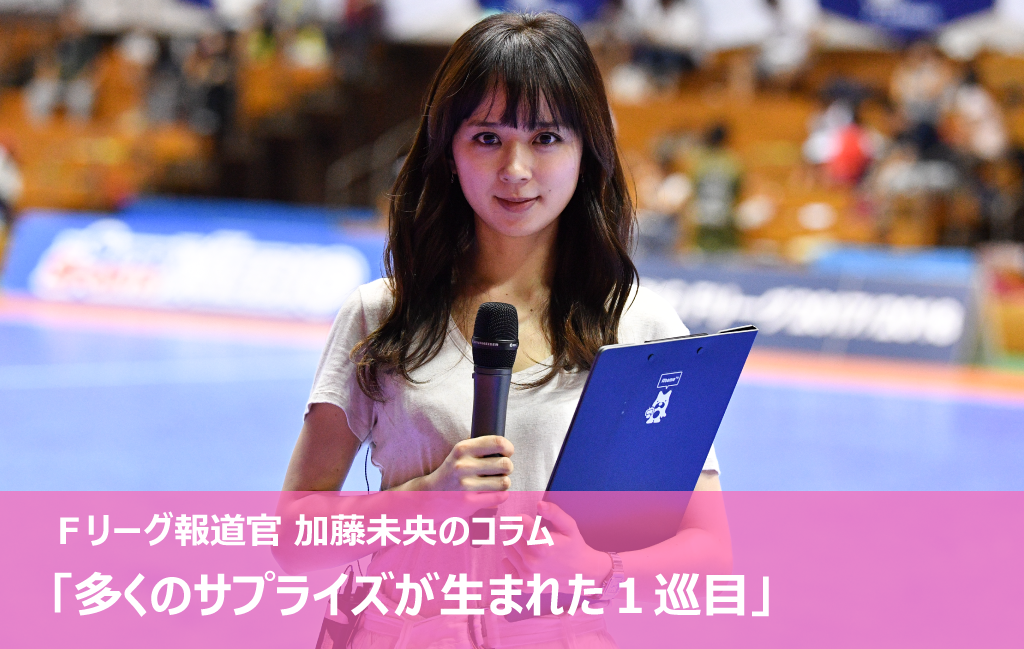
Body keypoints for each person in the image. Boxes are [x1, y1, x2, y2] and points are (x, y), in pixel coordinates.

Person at [279, 12, 730, 647]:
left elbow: (710, 548)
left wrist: (599, 570)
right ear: (448, 150)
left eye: (546, 138)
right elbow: (293, 538)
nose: (515, 168)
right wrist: (423, 498)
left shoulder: (641, 327)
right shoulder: (382, 315)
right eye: (487, 137)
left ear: (587, 151)